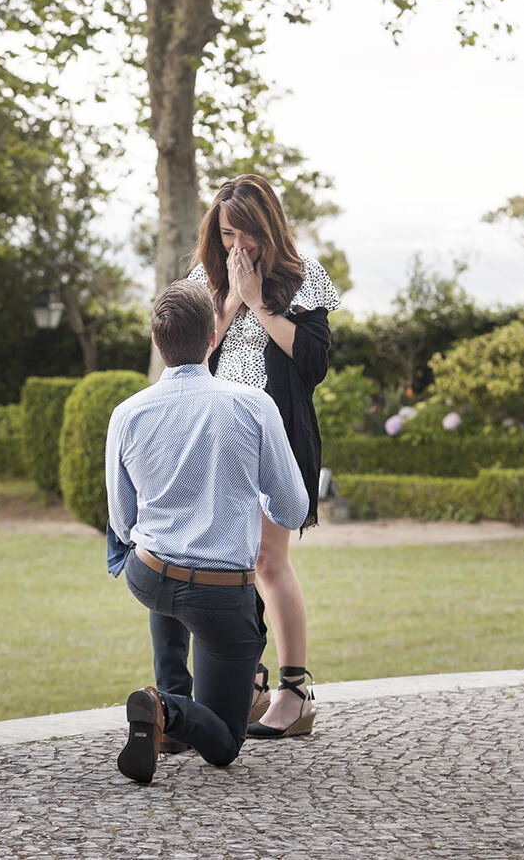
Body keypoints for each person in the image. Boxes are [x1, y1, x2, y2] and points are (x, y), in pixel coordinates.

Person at [106, 279, 309, 784]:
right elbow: (291, 506)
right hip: (219, 598)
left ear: (158, 342)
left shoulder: (127, 413)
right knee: (223, 742)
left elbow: (120, 520)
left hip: (149, 576)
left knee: (153, 560)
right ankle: (168, 711)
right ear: (213, 338)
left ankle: (170, 708)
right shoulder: (253, 405)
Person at [186, 174, 341, 739]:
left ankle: (294, 690)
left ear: (269, 228)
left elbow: (314, 366)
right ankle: (248, 681)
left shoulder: (303, 280)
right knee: (231, 564)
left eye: (249, 234)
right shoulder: (202, 283)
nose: (239, 246)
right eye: (229, 234)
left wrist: (259, 305)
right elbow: (187, 364)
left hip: (278, 435)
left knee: (269, 562)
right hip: (217, 438)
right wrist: (226, 307)